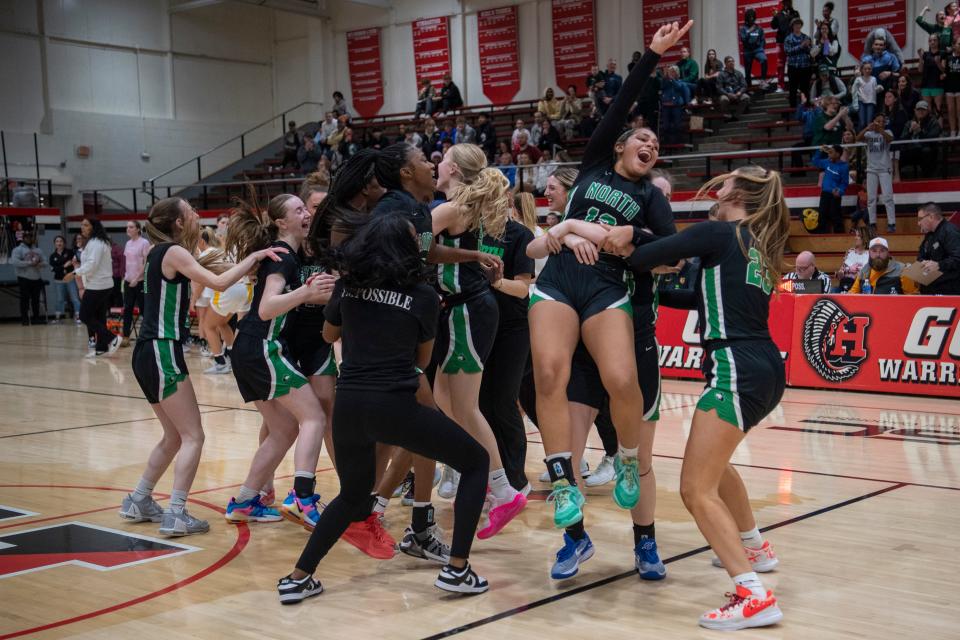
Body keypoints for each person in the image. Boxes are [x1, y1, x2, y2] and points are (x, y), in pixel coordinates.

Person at [524, 20, 690, 581]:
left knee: (632, 422)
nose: (650, 146)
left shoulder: (650, 199)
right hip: (563, 286)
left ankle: (645, 540)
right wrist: (652, 56)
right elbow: (620, 106)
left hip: (617, 304)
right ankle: (572, 533)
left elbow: (672, 254)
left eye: (657, 146)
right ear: (619, 146)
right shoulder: (594, 165)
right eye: (642, 140)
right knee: (552, 386)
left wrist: (633, 239)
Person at [599, 165, 790, 631]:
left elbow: (646, 256)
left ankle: (752, 595)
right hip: (764, 366)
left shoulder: (718, 233)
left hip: (735, 367)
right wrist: (663, 291)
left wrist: (628, 232)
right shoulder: (753, 245)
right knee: (717, 467)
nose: (717, 188)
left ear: (737, 193)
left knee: (694, 489)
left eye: (725, 183)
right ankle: (755, 548)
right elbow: (703, 297)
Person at [277, 214, 492, 604]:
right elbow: (422, 360)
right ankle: (458, 570)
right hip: (394, 402)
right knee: (476, 462)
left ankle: (297, 578)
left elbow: (328, 335)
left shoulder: (349, 286)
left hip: (350, 404)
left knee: (352, 497)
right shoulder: (424, 294)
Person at [119, 197, 289, 537]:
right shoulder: (172, 251)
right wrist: (255, 257)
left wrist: (247, 264)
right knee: (193, 436)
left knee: (172, 436)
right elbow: (220, 284)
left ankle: (139, 498)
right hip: (161, 349)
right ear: (179, 223)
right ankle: (177, 513)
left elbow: (216, 273)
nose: (197, 214)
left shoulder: (162, 252)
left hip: (149, 352)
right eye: (190, 211)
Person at [222, 191, 343, 546]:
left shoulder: (286, 255)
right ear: (281, 222)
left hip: (250, 348)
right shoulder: (284, 258)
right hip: (262, 346)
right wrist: (304, 294)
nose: (307, 213)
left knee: (282, 430)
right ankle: (303, 497)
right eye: (299, 209)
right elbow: (267, 308)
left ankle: (244, 502)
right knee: (315, 418)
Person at [430, 144, 528, 537]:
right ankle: (473, 468)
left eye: (441, 159)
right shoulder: (460, 207)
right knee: (441, 400)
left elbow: (409, 238)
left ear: (452, 167)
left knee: (468, 407)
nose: (436, 164)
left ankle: (503, 489)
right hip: (457, 309)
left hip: (468, 310)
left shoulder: (453, 209)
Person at [473, 191, 537, 494]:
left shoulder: (519, 234)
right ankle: (492, 475)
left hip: (513, 328)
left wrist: (497, 281)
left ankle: (516, 478)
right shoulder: (473, 231)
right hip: (480, 324)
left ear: (507, 202)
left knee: (503, 400)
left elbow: (524, 287)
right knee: (481, 402)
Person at [68, 218, 120, 356]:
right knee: (99, 316)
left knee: (85, 315)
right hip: (101, 284)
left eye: (86, 225)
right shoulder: (94, 242)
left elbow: (92, 264)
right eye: (81, 225)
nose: (82, 228)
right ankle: (101, 348)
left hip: (98, 285)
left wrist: (74, 273)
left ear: (93, 227)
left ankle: (112, 338)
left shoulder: (97, 243)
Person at [858, 114, 897, 234]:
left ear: (884, 123)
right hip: (871, 169)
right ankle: (872, 222)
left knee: (888, 197)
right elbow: (857, 138)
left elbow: (890, 139)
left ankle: (891, 223)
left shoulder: (887, 132)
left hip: (885, 169)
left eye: (882, 121)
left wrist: (880, 129)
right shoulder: (869, 134)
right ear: (873, 121)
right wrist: (866, 128)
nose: (880, 123)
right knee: (871, 198)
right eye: (877, 121)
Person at [916, 202, 960, 294]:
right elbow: (921, 254)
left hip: (948, 291)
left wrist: (939, 265)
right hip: (930, 288)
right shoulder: (929, 235)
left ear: (931, 217)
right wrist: (922, 262)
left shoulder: (950, 231)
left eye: (920, 219)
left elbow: (957, 258)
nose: (918, 223)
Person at [849, 237, 918, 294]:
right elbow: (852, 294)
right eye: (874, 251)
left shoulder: (902, 270)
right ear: (869, 253)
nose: (878, 255)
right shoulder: (864, 271)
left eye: (882, 251)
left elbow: (913, 298)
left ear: (888, 253)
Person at [121, 221, 151, 346]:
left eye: (131, 227)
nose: (128, 229)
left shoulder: (144, 243)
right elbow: (127, 262)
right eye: (127, 226)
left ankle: (146, 336)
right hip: (128, 281)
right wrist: (126, 277)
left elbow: (146, 263)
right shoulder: (128, 243)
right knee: (127, 309)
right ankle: (126, 337)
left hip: (140, 282)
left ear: (138, 229)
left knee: (144, 310)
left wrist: (137, 277)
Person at [900, 100, 943, 179]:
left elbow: (930, 141)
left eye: (923, 110)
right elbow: (902, 140)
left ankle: (927, 179)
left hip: (927, 150)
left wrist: (920, 132)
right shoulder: (909, 123)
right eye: (918, 110)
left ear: (928, 111)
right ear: (915, 111)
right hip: (911, 150)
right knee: (897, 155)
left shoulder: (933, 123)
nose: (920, 112)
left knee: (926, 152)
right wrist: (910, 132)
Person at [811, 144, 849, 233]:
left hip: (835, 194)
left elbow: (844, 183)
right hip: (825, 193)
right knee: (822, 214)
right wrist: (820, 151)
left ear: (838, 154)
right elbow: (815, 161)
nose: (829, 154)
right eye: (829, 152)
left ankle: (839, 235)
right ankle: (822, 236)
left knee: (835, 214)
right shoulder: (826, 162)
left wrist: (840, 191)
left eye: (831, 152)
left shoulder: (844, 166)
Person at [10, 230, 45, 325]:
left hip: (36, 278)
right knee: (25, 300)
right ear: (23, 238)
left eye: (30, 237)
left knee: (36, 300)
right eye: (26, 237)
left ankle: (36, 318)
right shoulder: (17, 250)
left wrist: (40, 264)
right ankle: (25, 319)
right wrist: (29, 263)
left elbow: (45, 262)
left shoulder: (38, 250)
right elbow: (15, 262)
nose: (29, 239)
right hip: (24, 278)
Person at [49, 235, 80, 324]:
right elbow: (53, 269)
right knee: (60, 299)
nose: (59, 243)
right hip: (58, 280)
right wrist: (63, 266)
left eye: (61, 241)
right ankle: (58, 318)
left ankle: (78, 316)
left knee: (74, 298)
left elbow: (72, 263)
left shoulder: (70, 252)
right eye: (57, 241)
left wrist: (59, 266)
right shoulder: (52, 256)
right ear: (54, 244)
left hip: (70, 279)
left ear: (64, 243)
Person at [784, 18, 813, 108]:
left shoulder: (806, 37)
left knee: (805, 89)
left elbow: (811, 52)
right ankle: (793, 109)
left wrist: (808, 46)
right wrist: (801, 46)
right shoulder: (788, 38)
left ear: (801, 25)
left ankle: (807, 108)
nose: (797, 25)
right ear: (792, 26)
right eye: (795, 24)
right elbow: (788, 51)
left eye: (799, 24)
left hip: (805, 67)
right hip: (793, 67)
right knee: (793, 89)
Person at [771, 0, 800, 91]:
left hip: (792, 42)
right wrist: (775, 17)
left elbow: (798, 25)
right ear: (783, 4)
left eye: (789, 2)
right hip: (781, 42)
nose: (787, 4)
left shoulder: (795, 13)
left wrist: (789, 16)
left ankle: (795, 85)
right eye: (785, 2)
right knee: (780, 65)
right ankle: (780, 86)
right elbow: (773, 26)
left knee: (794, 64)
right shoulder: (778, 14)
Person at [919, 35, 946, 120]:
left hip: (937, 83)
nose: (932, 42)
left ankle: (939, 131)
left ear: (938, 42)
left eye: (934, 40)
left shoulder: (942, 53)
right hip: (926, 84)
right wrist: (920, 57)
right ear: (928, 42)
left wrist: (938, 63)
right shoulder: (925, 54)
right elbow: (920, 70)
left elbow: (944, 69)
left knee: (938, 109)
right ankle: (930, 131)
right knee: (928, 109)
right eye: (930, 40)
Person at [660, 65, 690, 145]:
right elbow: (662, 85)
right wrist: (666, 76)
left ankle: (677, 142)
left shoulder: (680, 82)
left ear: (677, 73)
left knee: (677, 125)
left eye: (673, 72)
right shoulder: (665, 82)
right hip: (666, 106)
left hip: (676, 106)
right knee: (666, 126)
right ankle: (667, 143)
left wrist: (672, 79)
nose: (671, 73)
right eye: (670, 72)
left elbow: (678, 87)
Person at [740, 9, 768, 89]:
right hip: (747, 51)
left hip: (757, 50)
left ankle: (763, 81)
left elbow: (762, 39)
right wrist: (749, 31)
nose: (751, 18)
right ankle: (749, 87)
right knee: (748, 70)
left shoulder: (759, 28)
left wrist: (761, 48)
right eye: (750, 16)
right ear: (747, 17)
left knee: (764, 59)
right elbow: (743, 39)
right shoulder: (743, 28)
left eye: (753, 16)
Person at [718, 56, 750, 120]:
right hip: (726, 94)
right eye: (729, 61)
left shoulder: (739, 73)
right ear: (725, 63)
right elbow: (719, 87)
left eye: (732, 61)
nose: (731, 63)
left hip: (737, 93)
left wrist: (740, 92)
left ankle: (736, 116)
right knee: (723, 100)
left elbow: (744, 85)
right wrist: (727, 94)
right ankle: (728, 116)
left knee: (746, 97)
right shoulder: (721, 74)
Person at [945, 39, 960, 137]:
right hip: (949, 86)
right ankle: (953, 131)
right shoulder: (948, 57)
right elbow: (945, 70)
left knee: (959, 109)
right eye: (959, 44)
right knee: (951, 110)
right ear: (954, 45)